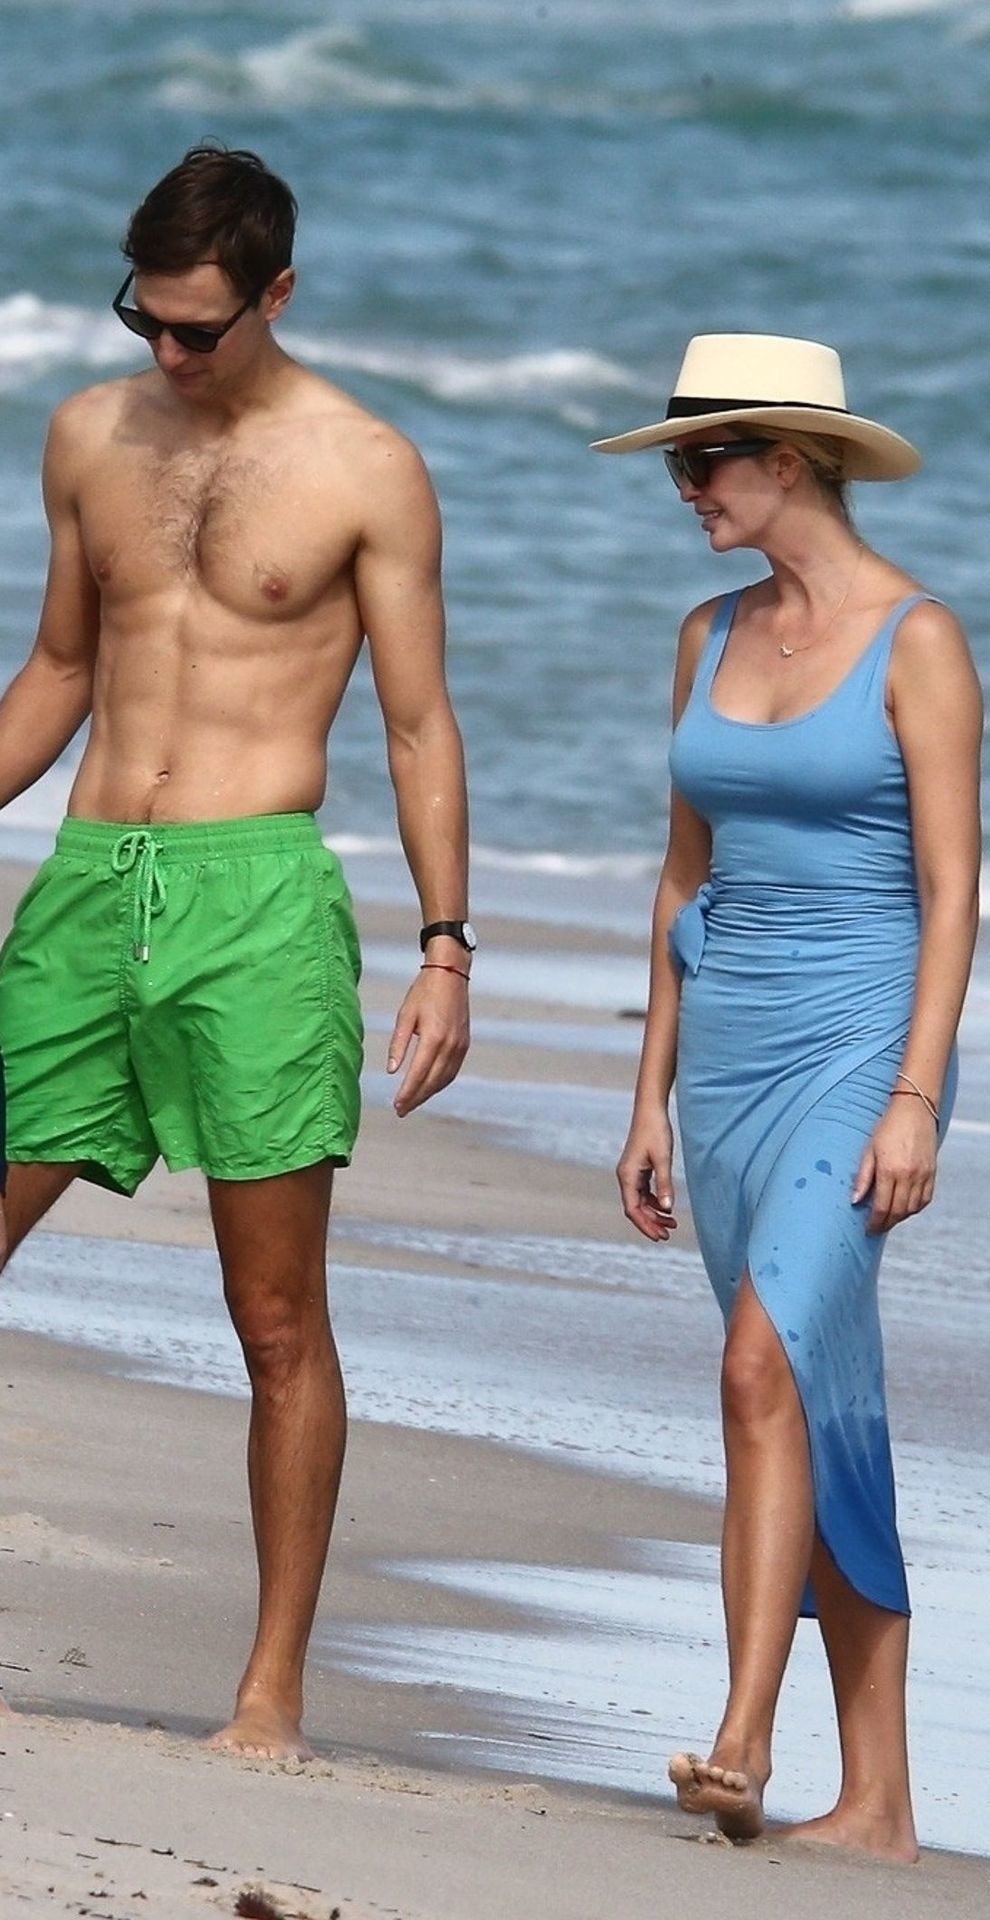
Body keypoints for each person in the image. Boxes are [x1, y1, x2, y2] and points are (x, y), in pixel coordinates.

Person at [0, 145, 473, 1760]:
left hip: (256, 901)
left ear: (278, 292)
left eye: (200, 327)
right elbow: (60, 667)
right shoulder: (89, 432)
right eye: (145, 318)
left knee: (273, 1319)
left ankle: (270, 1691)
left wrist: (446, 947)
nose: (169, 351)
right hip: (88, 886)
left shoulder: (365, 466)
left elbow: (417, 725)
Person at [595, 334, 981, 1855]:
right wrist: (647, 1096)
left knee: (758, 1367)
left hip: (860, 1048)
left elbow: (952, 893)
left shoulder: (918, 641)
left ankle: (743, 1743)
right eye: (679, 466)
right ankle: (878, 1803)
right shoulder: (707, 633)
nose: (686, 488)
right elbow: (678, 878)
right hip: (729, 1060)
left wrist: (918, 1096)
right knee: (811, 1396)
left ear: (791, 460)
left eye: (704, 462)